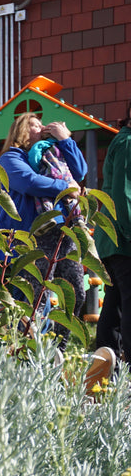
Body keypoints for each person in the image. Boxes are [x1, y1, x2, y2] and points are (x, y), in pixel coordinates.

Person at [0, 113, 87, 347]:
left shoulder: (52, 154)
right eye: (34, 125)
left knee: (76, 290)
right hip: (29, 237)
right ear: (20, 132)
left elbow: (80, 172)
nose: (41, 128)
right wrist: (65, 187)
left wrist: (66, 140)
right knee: (34, 298)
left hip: (63, 230)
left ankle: (58, 348)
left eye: (42, 124)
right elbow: (28, 182)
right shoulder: (11, 158)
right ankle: (25, 353)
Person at [86, 100, 131, 396]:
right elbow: (123, 195)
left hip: (115, 242)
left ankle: (105, 377)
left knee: (114, 310)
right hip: (124, 241)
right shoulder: (127, 142)